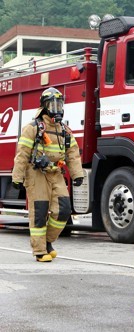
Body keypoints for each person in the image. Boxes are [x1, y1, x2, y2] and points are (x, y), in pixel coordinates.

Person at [12, 87, 84, 262]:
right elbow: (22, 154)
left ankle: (48, 241)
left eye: (59, 104)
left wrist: (77, 175)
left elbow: (72, 153)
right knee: (40, 211)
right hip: (36, 174)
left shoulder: (65, 130)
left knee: (64, 209)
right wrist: (17, 177)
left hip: (56, 173)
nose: (56, 108)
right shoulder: (33, 128)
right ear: (44, 106)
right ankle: (39, 250)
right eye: (52, 104)